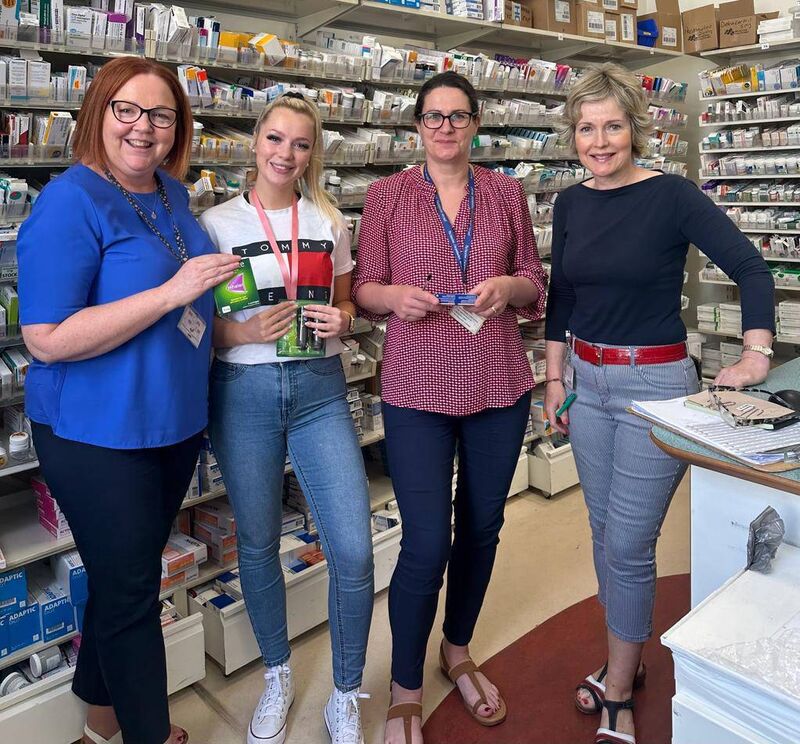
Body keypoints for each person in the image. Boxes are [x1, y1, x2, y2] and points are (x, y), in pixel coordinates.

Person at [543, 62, 776, 744]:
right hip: (586, 384)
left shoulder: (672, 196)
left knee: (628, 542)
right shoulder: (570, 203)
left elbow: (750, 267)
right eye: (586, 128)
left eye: (613, 125)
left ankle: (618, 682)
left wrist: (756, 352)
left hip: (655, 388)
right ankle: (628, 657)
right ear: (573, 135)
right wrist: (555, 378)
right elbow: (563, 296)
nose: (600, 140)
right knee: (602, 532)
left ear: (635, 129)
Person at [17, 57, 240, 744]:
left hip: (170, 423)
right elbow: (47, 339)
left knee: (123, 584)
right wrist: (171, 293)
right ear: (98, 114)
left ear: (179, 126)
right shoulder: (69, 201)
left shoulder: (171, 194)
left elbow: (191, 304)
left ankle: (98, 723)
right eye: (127, 111)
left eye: (161, 115)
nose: (144, 128)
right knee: (135, 595)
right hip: (97, 436)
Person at [353, 70, 547, 744]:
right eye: (433, 116)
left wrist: (508, 285)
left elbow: (533, 282)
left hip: (497, 380)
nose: (445, 127)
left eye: (458, 115)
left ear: (475, 124)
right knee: (427, 539)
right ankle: (407, 683)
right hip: (416, 387)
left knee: (484, 526)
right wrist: (391, 299)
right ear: (416, 126)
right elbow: (363, 286)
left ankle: (456, 649)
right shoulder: (387, 196)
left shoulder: (505, 193)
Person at [199, 92, 374, 744]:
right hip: (243, 393)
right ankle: (276, 673)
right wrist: (235, 329)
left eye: (301, 144)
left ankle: (346, 692)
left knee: (353, 549)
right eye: (276, 139)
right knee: (256, 542)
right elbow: (196, 327)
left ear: (312, 152)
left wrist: (345, 319)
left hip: (319, 389)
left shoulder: (329, 218)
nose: (286, 154)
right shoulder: (216, 224)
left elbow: (351, 301)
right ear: (254, 141)